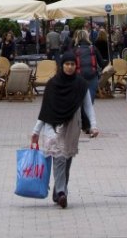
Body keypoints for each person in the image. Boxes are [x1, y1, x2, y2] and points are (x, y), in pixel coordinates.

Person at [31, 51, 99, 208]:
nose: (69, 67)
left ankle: (58, 191)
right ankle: (62, 192)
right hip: (53, 126)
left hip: (71, 126)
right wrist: (36, 131)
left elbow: (88, 105)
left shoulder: (81, 84)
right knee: (59, 158)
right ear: (61, 66)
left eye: (72, 64)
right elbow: (44, 109)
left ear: (76, 66)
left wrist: (93, 125)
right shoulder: (53, 84)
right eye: (67, 64)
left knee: (66, 159)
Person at [72, 30, 105, 102]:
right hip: (92, 75)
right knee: (90, 99)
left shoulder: (75, 49)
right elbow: (102, 63)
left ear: (77, 37)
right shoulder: (93, 48)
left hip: (79, 76)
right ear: (87, 37)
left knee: (80, 99)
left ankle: (82, 111)